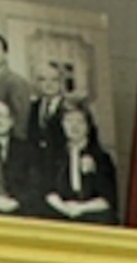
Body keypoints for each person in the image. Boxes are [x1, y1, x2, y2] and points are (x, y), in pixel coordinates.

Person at [40, 95, 121, 224]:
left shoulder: (102, 158)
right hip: (60, 213)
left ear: (88, 126)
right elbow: (47, 190)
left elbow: (109, 199)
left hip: (91, 215)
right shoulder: (53, 156)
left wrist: (80, 208)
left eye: (80, 121)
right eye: (69, 121)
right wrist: (64, 208)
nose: (74, 126)